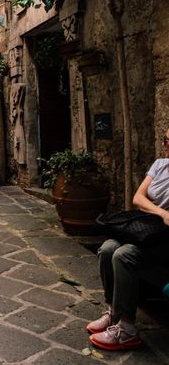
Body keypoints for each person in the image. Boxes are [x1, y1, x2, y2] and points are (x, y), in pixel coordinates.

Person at [87, 127, 169, 350]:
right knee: (107, 248)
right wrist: (162, 212)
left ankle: (127, 329)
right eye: (166, 140)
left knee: (123, 255)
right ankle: (113, 312)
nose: (167, 145)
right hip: (143, 230)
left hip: (164, 239)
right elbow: (138, 198)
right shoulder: (160, 165)